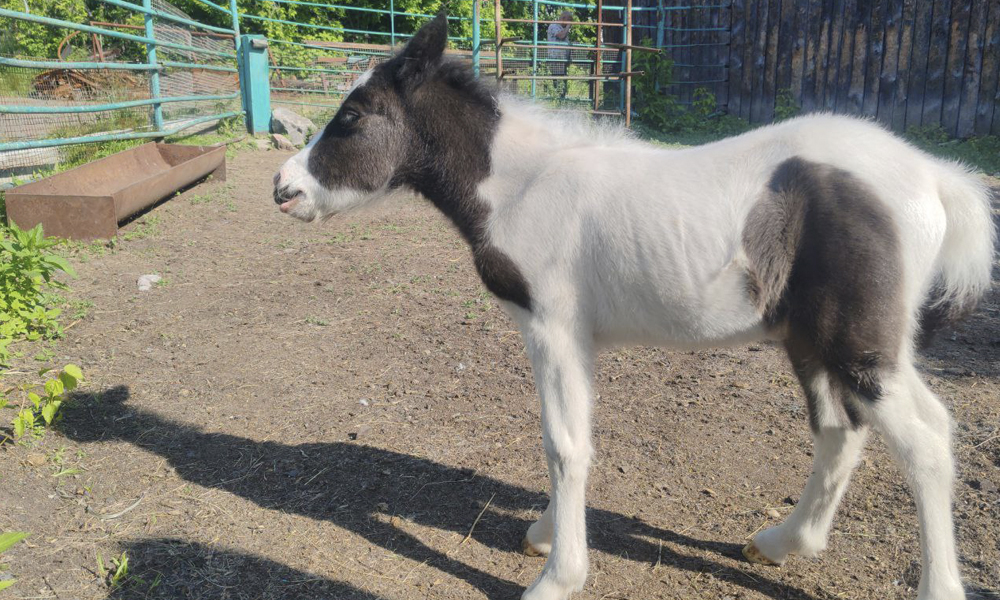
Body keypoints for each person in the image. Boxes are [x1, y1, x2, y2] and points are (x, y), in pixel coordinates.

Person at [547, 11, 573, 97]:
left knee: (563, 80)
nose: (570, 23)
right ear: (564, 19)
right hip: (555, 58)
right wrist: (568, 26)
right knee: (557, 80)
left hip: (562, 59)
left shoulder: (562, 28)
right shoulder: (554, 26)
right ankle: (556, 98)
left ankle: (561, 99)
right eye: (569, 21)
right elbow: (561, 36)